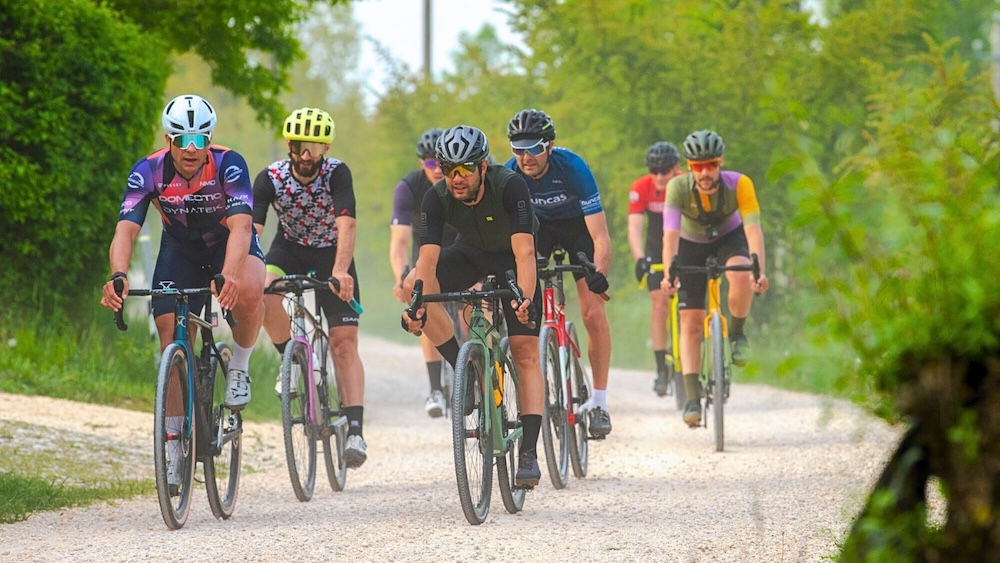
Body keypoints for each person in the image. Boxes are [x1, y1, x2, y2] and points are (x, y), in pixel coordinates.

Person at [100, 94, 265, 488]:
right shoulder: (149, 171)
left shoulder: (230, 163)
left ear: (210, 139)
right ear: (168, 139)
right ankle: (175, 449)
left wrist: (228, 275)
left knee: (251, 290)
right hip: (180, 252)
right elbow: (126, 229)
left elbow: (243, 227)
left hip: (228, 244)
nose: (191, 149)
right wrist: (119, 274)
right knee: (170, 335)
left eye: (200, 139)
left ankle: (239, 367)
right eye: (182, 139)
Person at [400, 125, 544, 487]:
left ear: (483, 167)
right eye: (449, 170)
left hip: (513, 260)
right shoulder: (436, 197)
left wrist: (524, 298)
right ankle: (465, 371)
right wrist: (416, 304)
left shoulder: (510, 185)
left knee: (525, 352)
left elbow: (526, 253)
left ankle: (528, 452)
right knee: (413, 285)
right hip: (470, 254)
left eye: (465, 169)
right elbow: (428, 263)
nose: (457, 178)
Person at [252, 107, 368, 468]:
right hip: (288, 249)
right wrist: (244, 267)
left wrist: (341, 271)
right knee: (262, 289)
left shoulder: (337, 174)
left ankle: (355, 429)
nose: (307, 155)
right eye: (301, 146)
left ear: (326, 148)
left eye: (316, 148)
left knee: (344, 343)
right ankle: (292, 359)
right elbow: (253, 231)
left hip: (332, 253)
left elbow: (346, 225)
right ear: (289, 145)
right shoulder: (270, 177)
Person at [504, 108, 614, 438]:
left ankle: (599, 402)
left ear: (549, 146)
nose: (525, 157)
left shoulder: (574, 168)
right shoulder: (511, 175)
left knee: (593, 312)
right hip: (538, 232)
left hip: (577, 230)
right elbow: (511, 238)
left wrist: (600, 272)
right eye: (518, 149)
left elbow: (600, 235)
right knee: (523, 296)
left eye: (533, 148)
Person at [659, 130, 769, 427]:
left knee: (741, 272)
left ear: (720, 163)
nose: (705, 173)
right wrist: (670, 272)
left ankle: (736, 333)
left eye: (711, 165)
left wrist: (759, 270)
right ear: (689, 166)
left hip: (729, 238)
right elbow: (669, 234)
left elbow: (753, 230)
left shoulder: (740, 184)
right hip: (690, 243)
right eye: (697, 166)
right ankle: (693, 398)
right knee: (691, 322)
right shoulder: (677, 187)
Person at [389, 128, 455, 418]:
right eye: (430, 164)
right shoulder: (409, 188)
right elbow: (399, 241)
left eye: (440, 163)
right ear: (421, 165)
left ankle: (476, 366)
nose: (436, 170)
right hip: (426, 251)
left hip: (462, 246)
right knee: (423, 306)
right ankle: (435, 388)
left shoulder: (460, 182)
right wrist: (400, 274)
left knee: (473, 303)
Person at [628, 142, 685, 396]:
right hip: (655, 250)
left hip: (685, 246)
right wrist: (640, 258)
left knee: (689, 308)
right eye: (655, 171)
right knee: (660, 305)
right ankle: (662, 369)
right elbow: (635, 227)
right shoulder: (641, 187)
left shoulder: (686, 183)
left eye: (666, 171)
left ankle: (690, 355)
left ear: (676, 169)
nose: (660, 177)